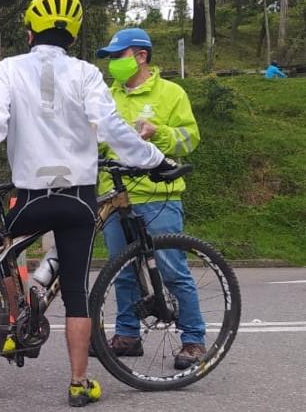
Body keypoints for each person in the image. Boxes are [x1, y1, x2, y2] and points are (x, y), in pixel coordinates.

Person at [0, 0, 168, 407]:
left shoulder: (9, 68)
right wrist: (154, 160)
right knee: (75, 291)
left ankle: (15, 325)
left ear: (30, 32)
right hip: (78, 198)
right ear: (73, 34)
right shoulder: (87, 73)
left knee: (3, 252)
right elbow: (112, 129)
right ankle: (78, 383)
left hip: (30, 195)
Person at [94, 27, 205, 370]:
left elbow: (191, 139)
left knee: (172, 270)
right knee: (122, 271)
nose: (113, 63)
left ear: (141, 56)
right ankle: (127, 335)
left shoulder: (172, 93)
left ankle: (194, 340)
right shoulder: (106, 96)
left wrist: (161, 134)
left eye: (119, 56)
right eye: (110, 57)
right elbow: (95, 144)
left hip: (159, 196)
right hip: (115, 197)